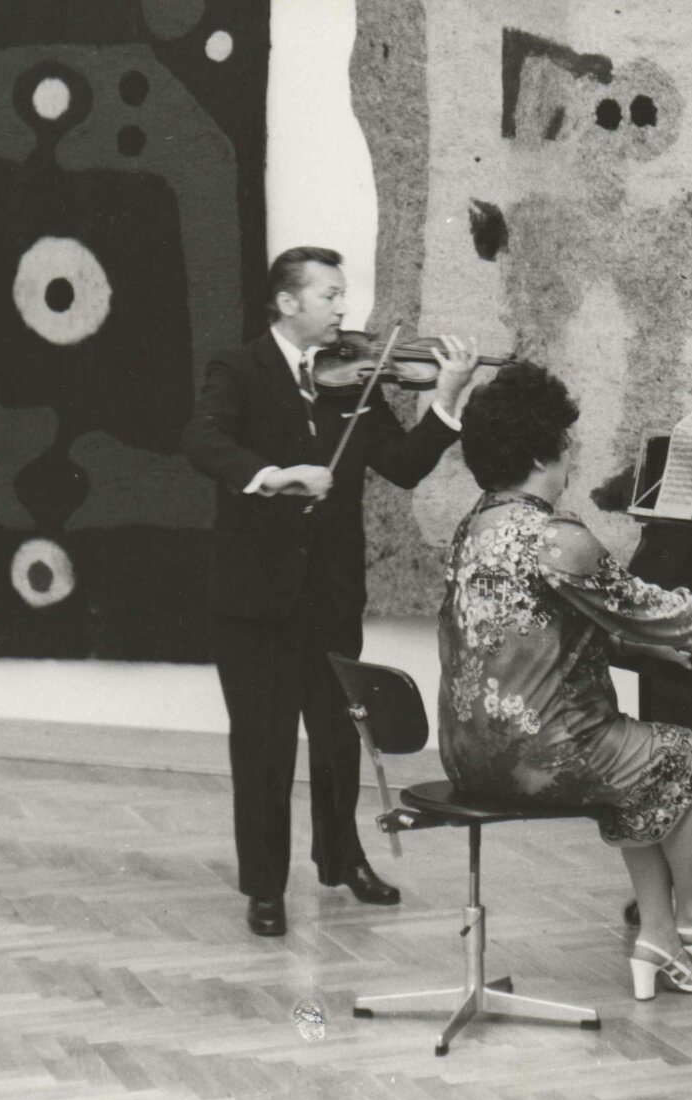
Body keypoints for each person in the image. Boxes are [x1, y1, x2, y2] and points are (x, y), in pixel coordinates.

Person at [438, 363, 692, 999]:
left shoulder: (476, 526)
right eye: (566, 441)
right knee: (689, 753)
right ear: (542, 454)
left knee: (635, 762)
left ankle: (658, 935)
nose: (572, 453)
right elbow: (636, 601)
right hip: (541, 756)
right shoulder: (553, 536)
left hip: (468, 754)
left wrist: (645, 645)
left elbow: (541, 624)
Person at [182, 246, 479, 937]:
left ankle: (342, 859)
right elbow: (201, 439)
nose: (344, 308)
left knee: (340, 739)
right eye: (330, 295)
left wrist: (446, 400)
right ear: (288, 302)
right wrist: (275, 476)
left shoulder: (352, 384)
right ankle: (265, 887)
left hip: (331, 597)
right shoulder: (238, 368)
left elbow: (403, 466)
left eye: (343, 294)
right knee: (263, 748)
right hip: (254, 603)